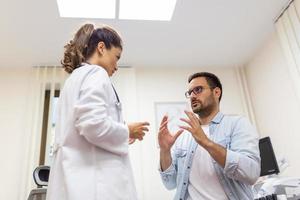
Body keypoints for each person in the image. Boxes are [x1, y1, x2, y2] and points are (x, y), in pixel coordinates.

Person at [46, 23, 149, 200]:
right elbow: (93, 124)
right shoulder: (96, 73)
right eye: (116, 57)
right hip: (96, 186)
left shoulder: (75, 79)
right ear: (101, 47)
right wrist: (126, 130)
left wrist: (120, 131)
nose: (116, 66)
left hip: (78, 181)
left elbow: (83, 126)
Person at [158, 72, 260, 200]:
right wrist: (165, 150)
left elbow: (251, 173)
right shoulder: (184, 134)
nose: (192, 96)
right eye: (190, 93)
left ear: (216, 92)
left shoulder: (237, 124)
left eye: (198, 90)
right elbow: (170, 183)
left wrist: (206, 142)